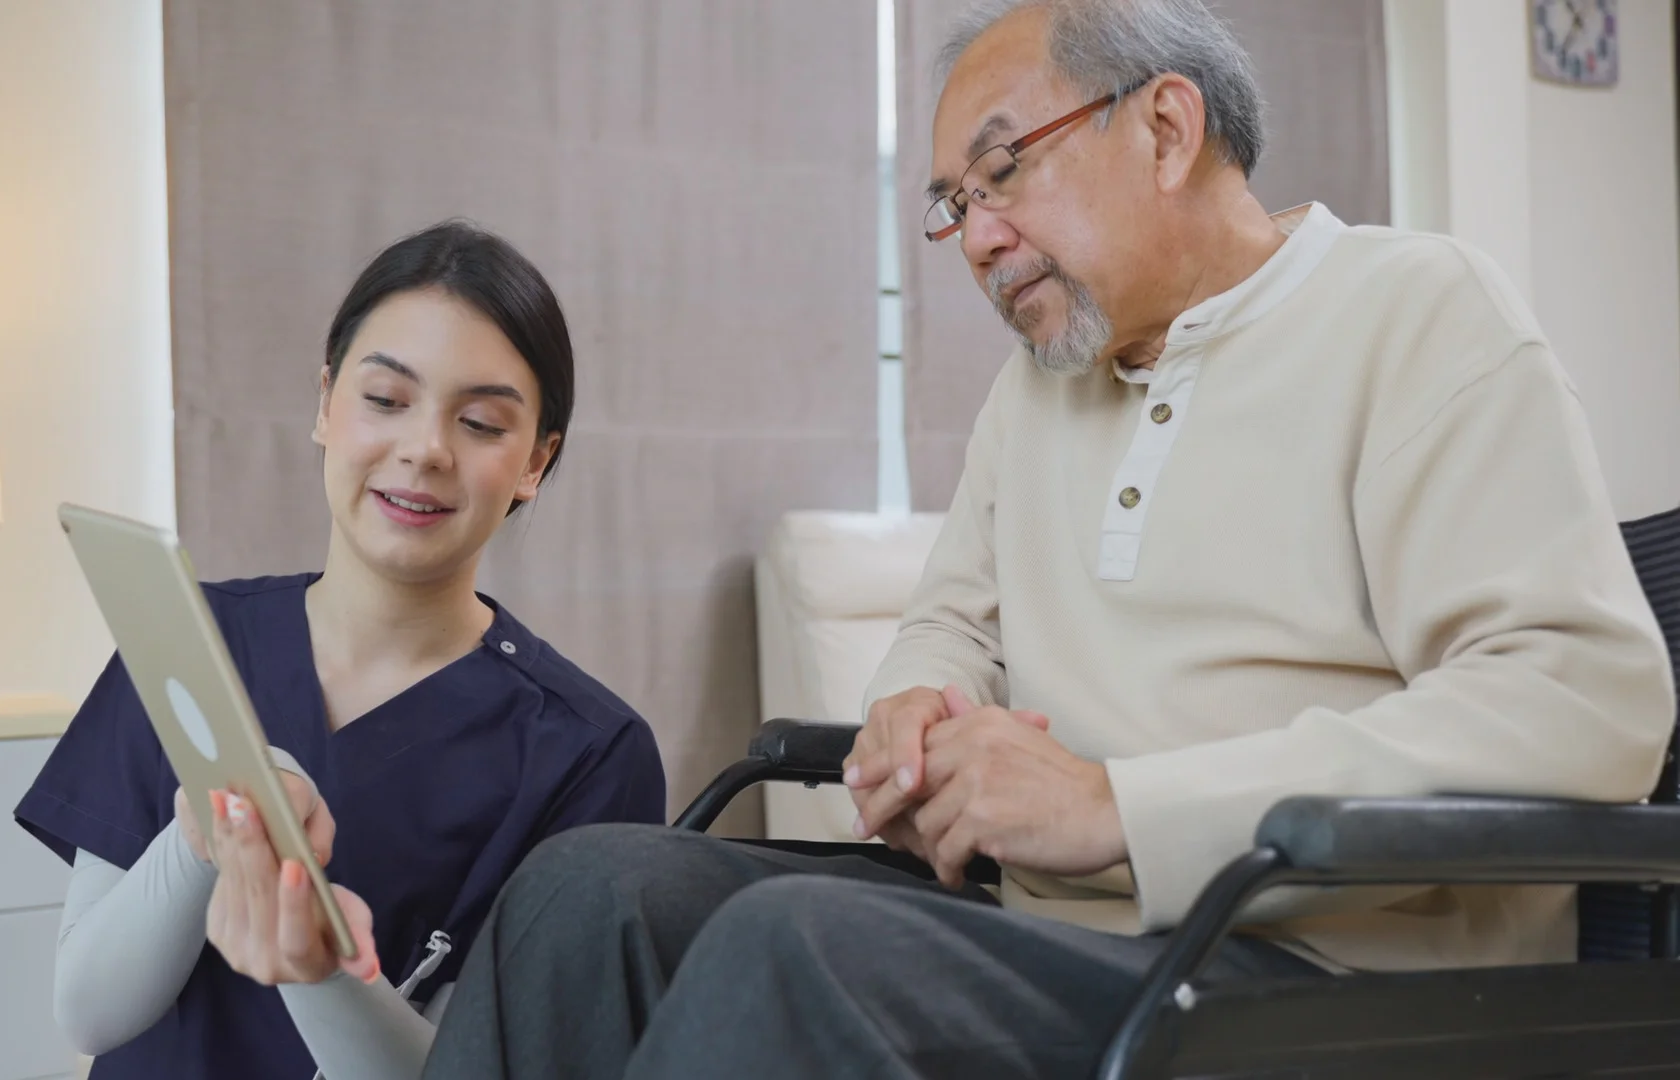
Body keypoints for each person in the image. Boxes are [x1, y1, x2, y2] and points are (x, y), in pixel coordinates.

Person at [201, 1, 1676, 1077]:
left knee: (804, 950)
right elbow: (950, 622)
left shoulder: (1418, 315)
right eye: (951, 206)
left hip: (1321, 977)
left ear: (1164, 126)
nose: (971, 235)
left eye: (1000, 172)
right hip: (1061, 940)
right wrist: (916, 699)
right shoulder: (1045, 391)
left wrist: (1118, 805)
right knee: (595, 889)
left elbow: (1584, 703)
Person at [12, 220, 666, 1080]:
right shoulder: (188, 642)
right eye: (386, 401)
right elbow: (89, 1011)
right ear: (326, 404)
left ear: (537, 461)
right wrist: (214, 825)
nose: (425, 449)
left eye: (478, 422)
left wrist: (318, 962)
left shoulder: (587, 755)